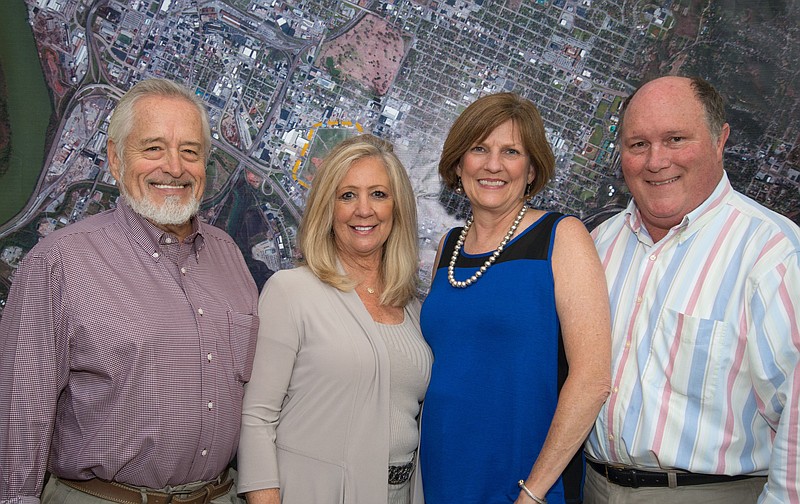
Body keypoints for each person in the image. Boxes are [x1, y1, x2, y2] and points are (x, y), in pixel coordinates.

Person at [0, 78, 259, 504]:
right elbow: (18, 416)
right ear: (116, 160)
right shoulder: (58, 263)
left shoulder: (229, 255)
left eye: (190, 151)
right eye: (153, 148)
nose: (174, 168)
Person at [585, 76, 800, 503]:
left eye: (676, 139)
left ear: (720, 141)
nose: (656, 161)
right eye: (637, 144)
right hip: (591, 488)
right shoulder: (598, 244)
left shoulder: (774, 253)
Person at [419, 92, 612, 504]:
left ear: (530, 170)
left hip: (526, 484)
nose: (493, 165)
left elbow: (592, 380)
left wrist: (533, 493)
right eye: (479, 149)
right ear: (458, 164)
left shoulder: (562, 237)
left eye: (511, 151)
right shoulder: (449, 247)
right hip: (443, 472)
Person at [238, 134, 432, 504]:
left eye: (378, 194)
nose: (364, 209)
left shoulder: (414, 309)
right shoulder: (291, 291)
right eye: (347, 195)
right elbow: (257, 419)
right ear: (328, 209)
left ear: (398, 208)